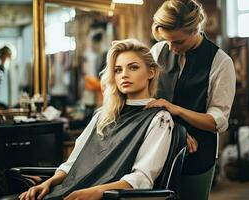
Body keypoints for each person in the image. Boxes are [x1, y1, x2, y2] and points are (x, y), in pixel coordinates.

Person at [17, 39, 174, 200]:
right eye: (118, 70)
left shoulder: (159, 119)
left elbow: (141, 178)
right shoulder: (103, 115)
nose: (124, 75)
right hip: (68, 191)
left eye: (133, 67)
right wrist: (47, 184)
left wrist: (98, 192)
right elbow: (73, 163)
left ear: (151, 72)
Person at [147, 0, 236, 200]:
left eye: (178, 42)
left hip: (197, 155)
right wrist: (177, 133)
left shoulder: (220, 62)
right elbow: (147, 102)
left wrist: (176, 110)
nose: (171, 48)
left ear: (196, 29)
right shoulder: (158, 51)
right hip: (156, 150)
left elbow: (217, 122)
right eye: (167, 40)